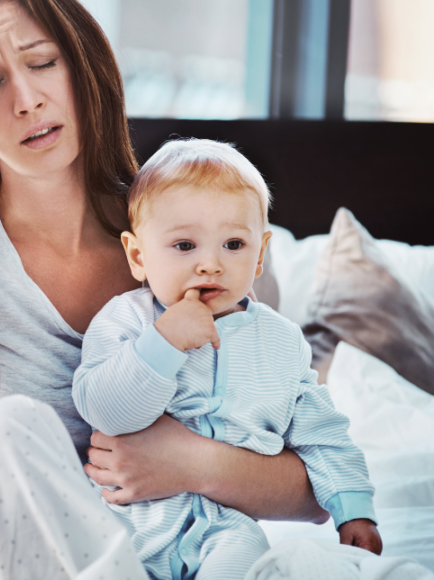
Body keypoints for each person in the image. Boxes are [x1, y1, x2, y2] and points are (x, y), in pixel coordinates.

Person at [0, 0, 329, 578]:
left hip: (131, 554)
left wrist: (188, 463)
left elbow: (319, 482)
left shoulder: (193, 245)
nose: (27, 100)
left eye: (43, 62)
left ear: (81, 63)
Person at [72, 139, 382, 580]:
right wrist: (164, 342)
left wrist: (354, 511)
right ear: (138, 256)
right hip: (125, 519)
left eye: (234, 244)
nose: (210, 264)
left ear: (260, 255)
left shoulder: (281, 340)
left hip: (224, 525)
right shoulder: (127, 320)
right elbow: (103, 410)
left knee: (247, 556)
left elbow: (322, 433)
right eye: (184, 246)